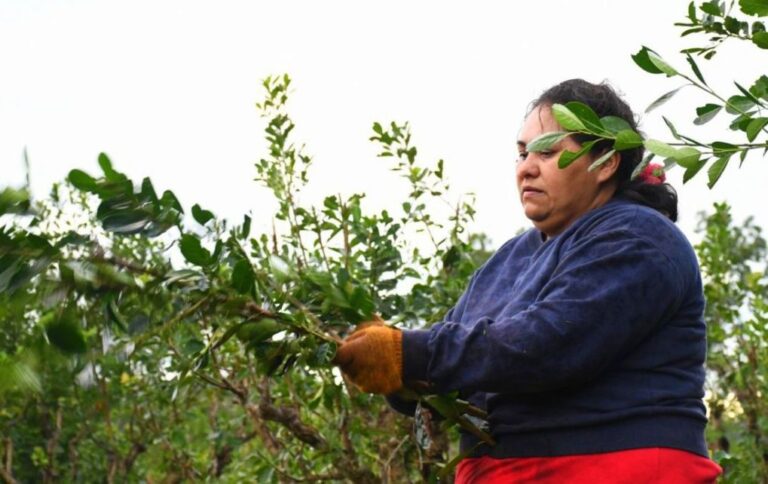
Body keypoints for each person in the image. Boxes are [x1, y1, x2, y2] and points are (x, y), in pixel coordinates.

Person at [333, 79, 723, 483]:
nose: (526, 168)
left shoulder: (638, 237)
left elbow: (546, 345)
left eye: (548, 152)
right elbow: (455, 362)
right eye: (521, 154)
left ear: (605, 163)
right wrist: (397, 374)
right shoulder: (510, 259)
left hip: (614, 467)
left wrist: (410, 354)